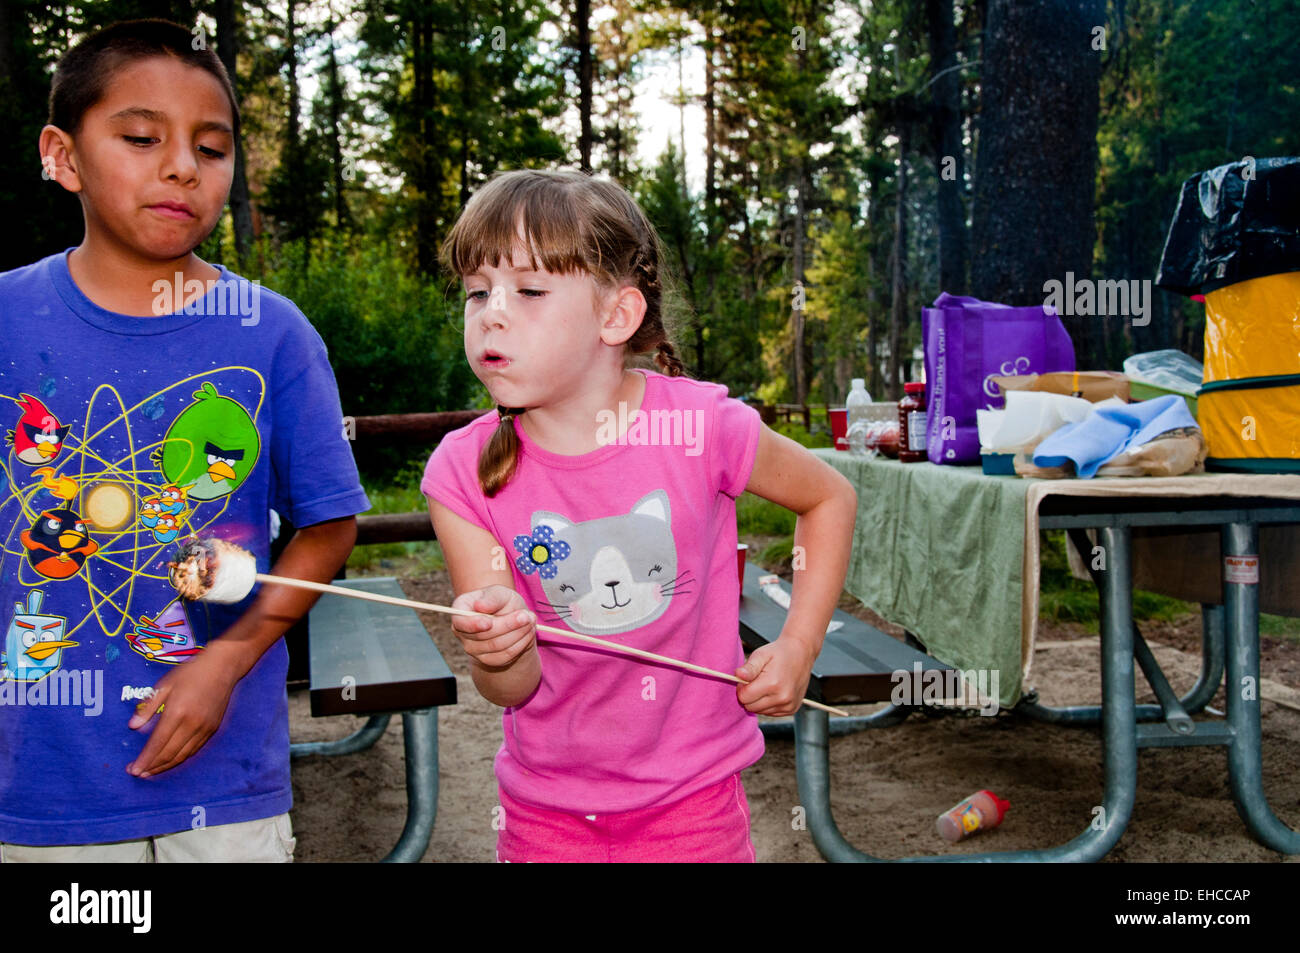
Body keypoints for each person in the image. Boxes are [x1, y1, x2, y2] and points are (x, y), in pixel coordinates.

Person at [0, 19, 368, 862]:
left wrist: (228, 659)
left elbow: (328, 524)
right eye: (141, 138)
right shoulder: (7, 317)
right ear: (62, 156)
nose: (182, 167)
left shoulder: (273, 334)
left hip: (226, 783)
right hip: (38, 792)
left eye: (211, 148)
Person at [423, 168, 857, 862]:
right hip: (544, 814)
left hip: (695, 805)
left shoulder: (702, 426)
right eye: (478, 291)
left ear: (617, 316)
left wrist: (799, 646)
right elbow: (509, 689)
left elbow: (829, 496)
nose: (491, 314)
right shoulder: (461, 471)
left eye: (529, 290)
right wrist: (500, 647)